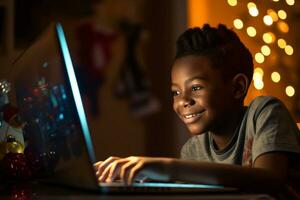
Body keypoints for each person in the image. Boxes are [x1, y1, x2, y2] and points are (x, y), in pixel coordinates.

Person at [94, 24, 300, 197]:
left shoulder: (265, 113)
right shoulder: (193, 150)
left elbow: (270, 180)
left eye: (195, 88)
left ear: (237, 87)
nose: (183, 101)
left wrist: (166, 168)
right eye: (175, 92)